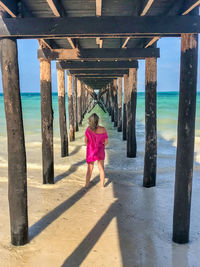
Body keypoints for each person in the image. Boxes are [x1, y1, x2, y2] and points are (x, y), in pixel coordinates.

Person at [85, 113, 108, 188]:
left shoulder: (88, 129)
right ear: (98, 121)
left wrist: (89, 145)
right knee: (101, 168)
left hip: (91, 151)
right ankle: (102, 186)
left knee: (90, 169)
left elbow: (86, 141)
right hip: (100, 150)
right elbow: (106, 142)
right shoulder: (103, 129)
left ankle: (86, 185)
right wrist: (102, 146)